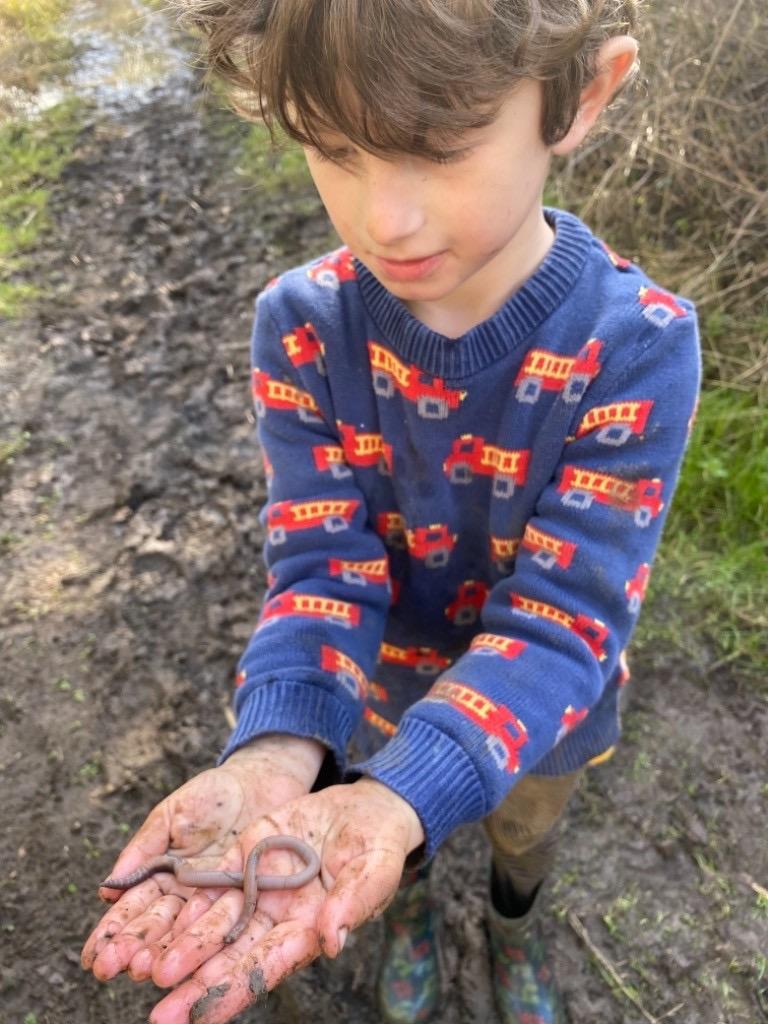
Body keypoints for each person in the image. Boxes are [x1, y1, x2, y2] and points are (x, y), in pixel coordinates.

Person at [81, 3, 701, 1023]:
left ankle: (514, 921)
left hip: (545, 711)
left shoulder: (638, 346)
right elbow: (322, 567)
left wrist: (416, 787)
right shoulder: (301, 328)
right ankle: (400, 908)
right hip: (374, 694)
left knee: (524, 832)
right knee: (379, 839)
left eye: (439, 147)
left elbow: (566, 616)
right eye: (334, 149)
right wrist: (282, 751)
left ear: (581, 95)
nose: (386, 221)